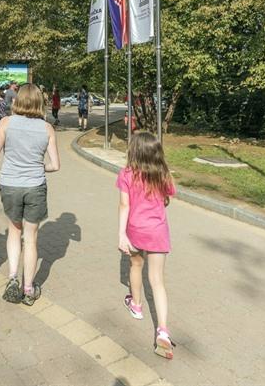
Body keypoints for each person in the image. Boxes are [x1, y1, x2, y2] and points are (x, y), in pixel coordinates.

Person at [0, 84, 60, 307]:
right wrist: (38, 166)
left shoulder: (5, 123)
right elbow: (55, 165)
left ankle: (12, 278)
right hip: (35, 185)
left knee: (14, 232)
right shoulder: (47, 129)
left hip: (9, 184)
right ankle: (28, 287)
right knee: (31, 238)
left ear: (18, 101)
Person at [117, 131, 177, 360]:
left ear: (133, 151)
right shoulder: (163, 174)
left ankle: (137, 305)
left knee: (135, 266)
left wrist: (121, 234)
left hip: (135, 230)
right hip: (158, 232)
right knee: (158, 281)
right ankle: (162, 329)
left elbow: (124, 205)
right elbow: (167, 198)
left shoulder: (126, 174)